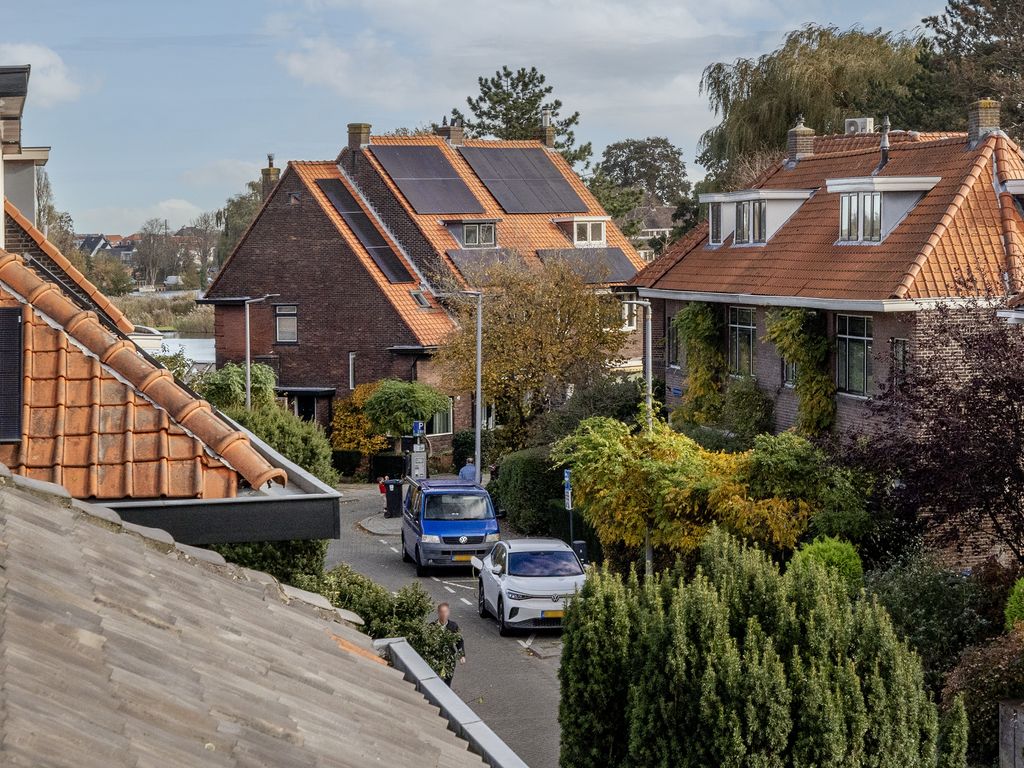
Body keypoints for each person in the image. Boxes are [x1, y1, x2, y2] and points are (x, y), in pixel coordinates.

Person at [435, 602, 465, 686]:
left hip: (449, 658)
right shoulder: (432, 626)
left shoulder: (453, 626)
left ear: (449, 612)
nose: (444, 614)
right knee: (437, 681)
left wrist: (461, 655)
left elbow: (459, 641)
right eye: (442, 612)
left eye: (445, 612)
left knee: (447, 681)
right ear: (438, 613)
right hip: (436, 658)